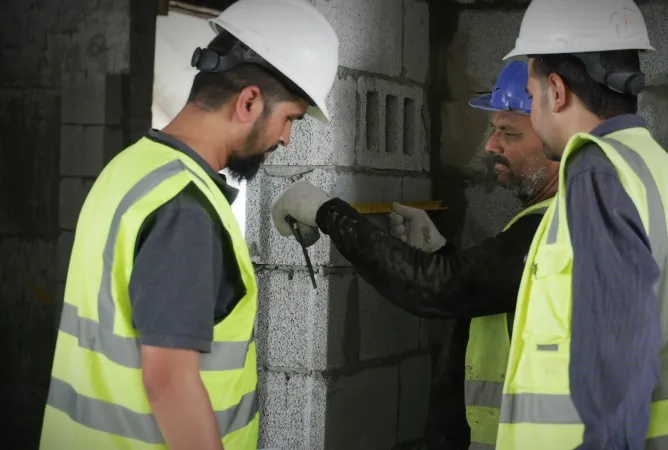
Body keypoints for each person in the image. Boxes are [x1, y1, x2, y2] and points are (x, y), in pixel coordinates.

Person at [38, 1, 339, 449]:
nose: (285, 139)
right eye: (289, 119)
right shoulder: (185, 208)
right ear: (249, 101)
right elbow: (170, 382)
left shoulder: (132, 166)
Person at [269, 60, 560, 449]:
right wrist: (441, 252)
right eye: (494, 130)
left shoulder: (555, 227)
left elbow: (440, 288)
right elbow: (485, 291)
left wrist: (328, 213)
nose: (491, 146)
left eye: (509, 133)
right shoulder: (544, 220)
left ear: (557, 138)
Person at [493, 0, 668, 449]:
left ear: (556, 90)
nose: (534, 115)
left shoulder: (596, 170)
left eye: (533, 97)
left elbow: (620, 348)